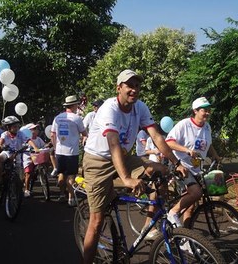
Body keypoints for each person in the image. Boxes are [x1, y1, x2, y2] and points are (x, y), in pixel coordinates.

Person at [82, 69, 187, 264]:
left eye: (137, 86)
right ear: (119, 88)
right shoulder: (109, 108)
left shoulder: (140, 107)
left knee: (160, 170)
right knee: (96, 222)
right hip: (98, 161)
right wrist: (127, 178)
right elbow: (113, 142)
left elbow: (156, 137)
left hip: (123, 156)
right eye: (130, 85)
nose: (134, 90)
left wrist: (176, 162)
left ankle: (152, 225)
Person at [165, 97, 221, 227]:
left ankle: (185, 236)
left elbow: (209, 144)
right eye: (204, 110)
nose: (207, 113)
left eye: (209, 110)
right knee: (196, 193)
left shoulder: (207, 127)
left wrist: (215, 155)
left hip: (197, 168)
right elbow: (169, 142)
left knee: (191, 205)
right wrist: (187, 150)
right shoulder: (184, 124)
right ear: (195, 111)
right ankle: (173, 212)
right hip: (181, 165)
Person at [50, 95, 87, 206]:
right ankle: (71, 198)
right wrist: (83, 139)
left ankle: (62, 194)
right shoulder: (76, 118)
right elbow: (84, 133)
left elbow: (52, 134)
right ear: (74, 105)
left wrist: (55, 147)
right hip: (72, 151)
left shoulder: (57, 118)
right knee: (71, 175)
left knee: (61, 173)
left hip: (60, 151)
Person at [0, 116, 35, 185]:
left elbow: (28, 140)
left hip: (17, 155)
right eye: (14, 127)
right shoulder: (4, 134)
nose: (17, 128)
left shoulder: (20, 133)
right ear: (8, 127)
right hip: (7, 153)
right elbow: (0, 142)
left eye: (18, 126)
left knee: (18, 180)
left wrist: (35, 147)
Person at [21, 123, 48, 197]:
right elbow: (23, 147)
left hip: (37, 157)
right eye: (34, 129)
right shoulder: (26, 139)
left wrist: (48, 145)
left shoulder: (38, 139)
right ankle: (26, 190)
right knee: (28, 174)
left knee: (44, 163)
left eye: (36, 128)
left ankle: (43, 175)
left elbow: (44, 145)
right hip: (28, 157)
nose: (36, 130)